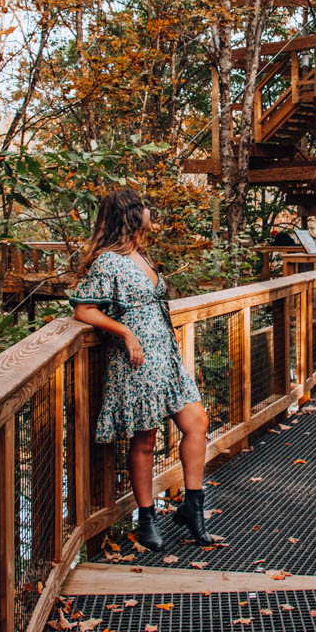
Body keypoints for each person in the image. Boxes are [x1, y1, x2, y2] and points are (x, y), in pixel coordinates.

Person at [70, 187, 213, 551]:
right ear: (132, 215)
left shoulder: (140, 256)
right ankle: (147, 518)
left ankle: (193, 507)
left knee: (196, 422)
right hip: (136, 358)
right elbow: (84, 310)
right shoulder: (107, 262)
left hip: (165, 354)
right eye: (145, 207)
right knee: (145, 438)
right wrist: (125, 332)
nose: (151, 212)